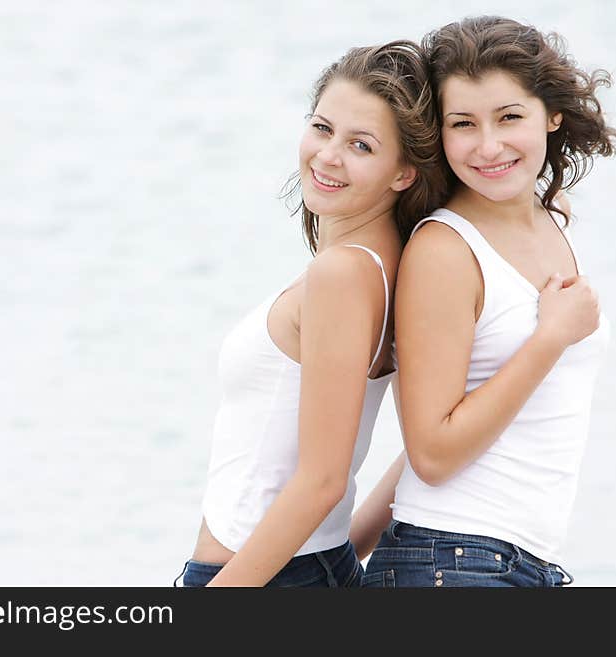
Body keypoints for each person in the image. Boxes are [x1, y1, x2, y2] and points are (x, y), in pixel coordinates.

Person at [360, 16, 616, 587]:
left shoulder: (551, 226)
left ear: (551, 114)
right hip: (456, 561)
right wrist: (550, 338)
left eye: (509, 116)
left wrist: (351, 549)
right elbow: (433, 453)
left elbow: (466, 432)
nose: (489, 146)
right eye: (463, 124)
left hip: (512, 563)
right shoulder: (444, 249)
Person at [175, 40, 445, 586]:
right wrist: (345, 559)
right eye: (322, 128)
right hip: (305, 568)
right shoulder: (395, 266)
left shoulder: (343, 275)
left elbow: (322, 481)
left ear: (404, 173)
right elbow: (419, 450)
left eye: (361, 146)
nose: (327, 155)